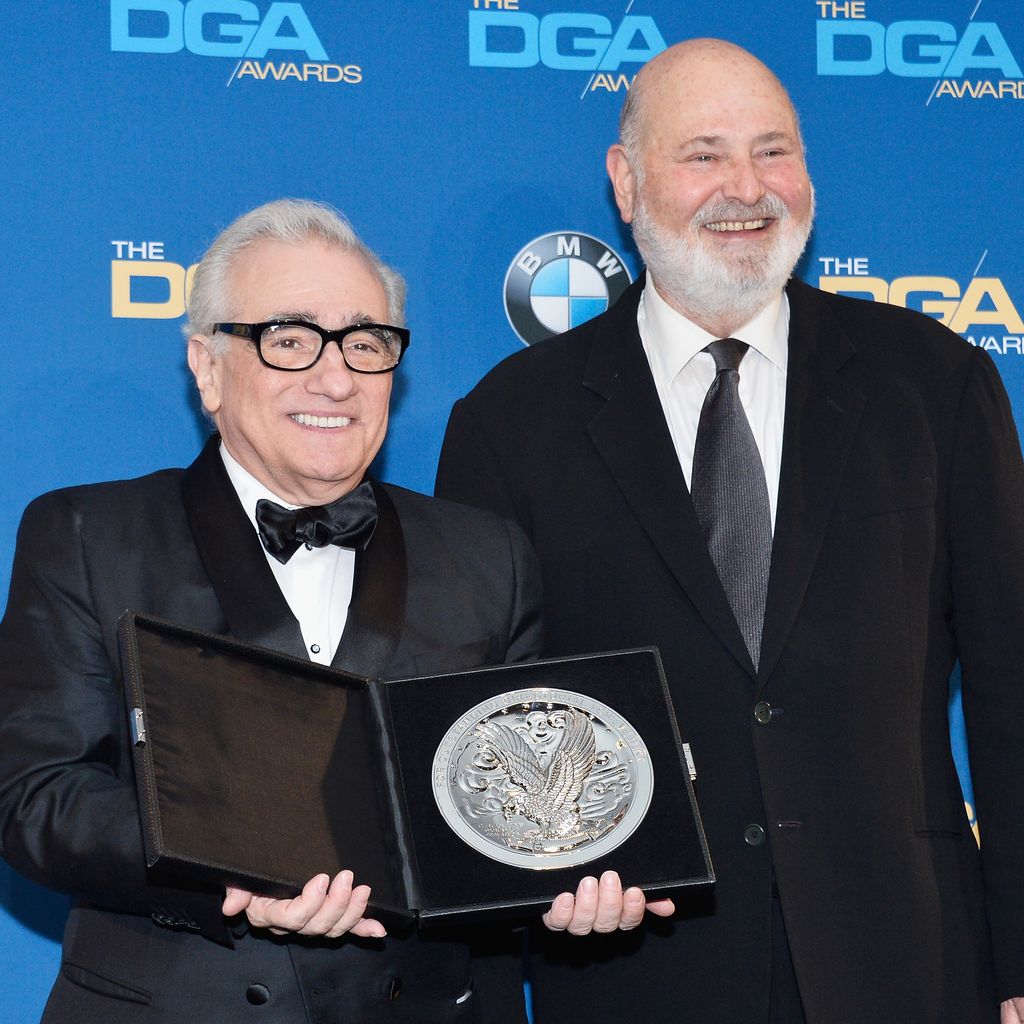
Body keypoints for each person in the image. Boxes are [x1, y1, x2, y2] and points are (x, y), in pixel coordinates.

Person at [436, 39, 1024, 1024]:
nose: (745, 188)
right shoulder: (509, 422)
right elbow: (482, 731)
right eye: (702, 154)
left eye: (773, 151)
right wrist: (546, 888)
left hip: (911, 967)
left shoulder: (936, 383)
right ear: (625, 183)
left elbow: (1014, 691)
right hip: (637, 974)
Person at [0, 199, 551, 1023]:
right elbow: (35, 796)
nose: (335, 378)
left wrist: (567, 880)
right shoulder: (87, 534)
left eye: (366, 343)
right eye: (289, 340)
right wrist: (226, 866)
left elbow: (518, 808)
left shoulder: (488, 557)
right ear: (208, 365)